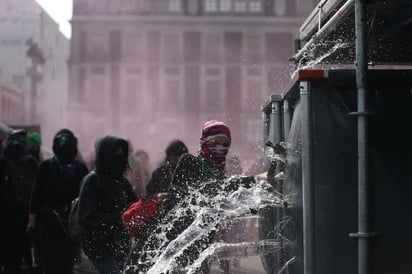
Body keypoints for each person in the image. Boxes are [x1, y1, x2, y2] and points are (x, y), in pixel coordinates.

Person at [125, 119, 261, 273]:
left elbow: (234, 198)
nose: (220, 148)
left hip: (186, 258)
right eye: (215, 142)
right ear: (204, 142)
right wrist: (255, 181)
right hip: (159, 251)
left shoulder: (218, 175)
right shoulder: (189, 163)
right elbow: (211, 188)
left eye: (225, 144)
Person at [27, 128, 89, 274]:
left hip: (71, 225)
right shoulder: (46, 167)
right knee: (51, 262)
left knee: (68, 263)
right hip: (49, 223)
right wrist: (32, 221)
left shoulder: (81, 169)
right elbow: (36, 195)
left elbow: (86, 199)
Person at [78, 135, 138, 274]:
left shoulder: (122, 182)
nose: (120, 157)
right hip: (98, 246)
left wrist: (153, 202)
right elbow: (86, 218)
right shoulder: (92, 181)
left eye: (123, 153)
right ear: (106, 154)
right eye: (116, 153)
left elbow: (134, 206)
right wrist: (119, 217)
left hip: (121, 244)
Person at [0, 129, 38, 274]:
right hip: (25, 213)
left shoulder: (2, 159)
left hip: (5, 213)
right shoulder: (31, 161)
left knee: (7, 251)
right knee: (23, 248)